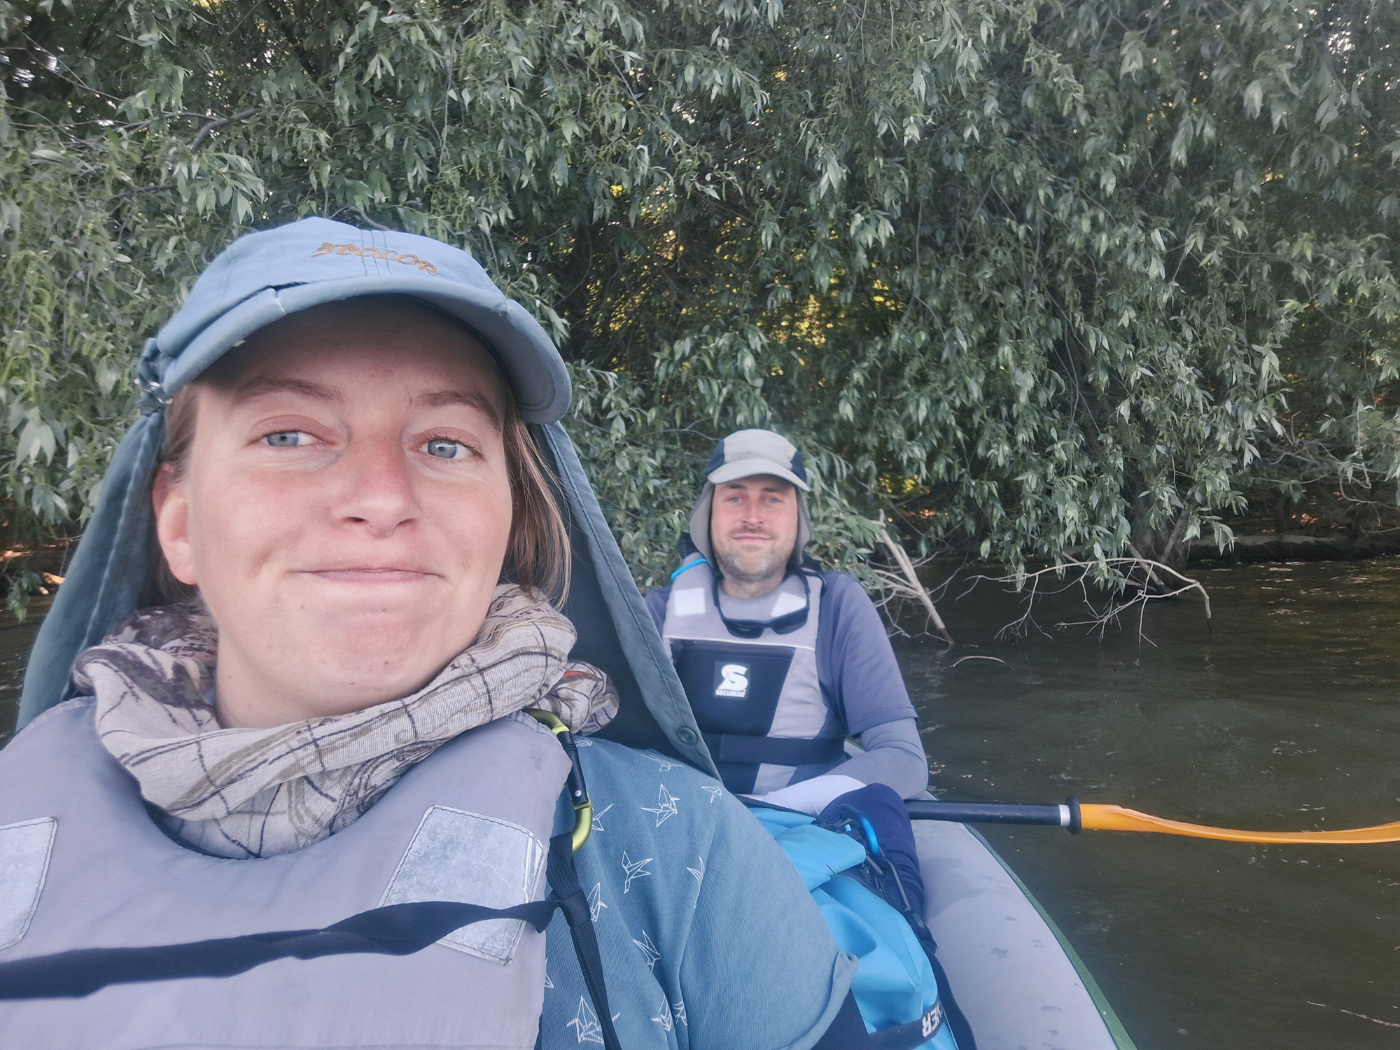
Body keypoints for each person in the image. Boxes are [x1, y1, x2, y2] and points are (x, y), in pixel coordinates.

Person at [0, 219, 891, 1050]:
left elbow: (894, 744)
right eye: (289, 433)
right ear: (179, 520)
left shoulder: (685, 853)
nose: (382, 498)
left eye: (445, 445)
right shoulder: (672, 608)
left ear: (511, 520)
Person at [645, 429, 930, 817]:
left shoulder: (838, 607)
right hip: (677, 824)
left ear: (799, 519)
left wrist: (773, 811)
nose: (752, 516)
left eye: (773, 499)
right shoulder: (655, 612)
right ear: (707, 515)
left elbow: (904, 760)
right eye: (734, 497)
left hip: (797, 832)